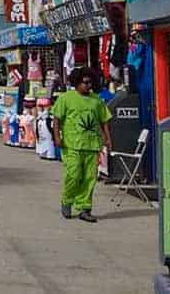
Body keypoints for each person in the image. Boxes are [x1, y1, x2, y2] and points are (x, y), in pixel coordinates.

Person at [52, 67, 112, 223]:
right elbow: (57, 119)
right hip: (72, 145)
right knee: (73, 175)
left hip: (92, 146)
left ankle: (84, 208)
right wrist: (57, 137)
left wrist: (108, 139)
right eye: (85, 82)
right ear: (77, 83)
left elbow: (104, 120)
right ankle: (67, 200)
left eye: (90, 82)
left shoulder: (96, 100)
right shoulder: (65, 98)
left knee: (89, 178)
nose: (88, 85)